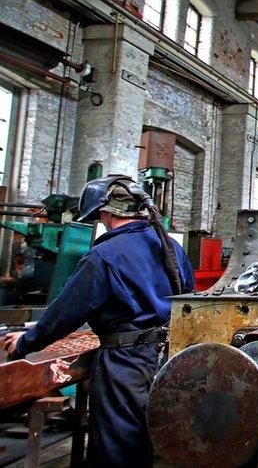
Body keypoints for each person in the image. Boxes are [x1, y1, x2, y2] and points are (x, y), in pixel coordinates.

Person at [2, 176, 195, 467]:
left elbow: (64, 315)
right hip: (166, 356)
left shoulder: (103, 256)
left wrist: (26, 342)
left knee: (117, 447)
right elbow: (188, 298)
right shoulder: (170, 248)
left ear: (107, 212)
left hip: (124, 363)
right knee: (145, 439)